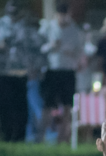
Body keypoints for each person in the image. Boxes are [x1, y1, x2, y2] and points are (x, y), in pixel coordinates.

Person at [0, 0, 44, 142]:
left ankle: (20, 136)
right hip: (3, 72)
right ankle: (6, 135)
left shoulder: (28, 25)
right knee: (4, 106)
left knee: (20, 106)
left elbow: (38, 48)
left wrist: (35, 67)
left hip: (21, 72)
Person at [39, 3, 83, 144]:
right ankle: (42, 136)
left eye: (65, 14)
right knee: (48, 105)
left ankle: (63, 138)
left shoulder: (74, 30)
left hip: (68, 71)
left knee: (67, 106)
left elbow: (80, 52)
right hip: (52, 71)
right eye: (60, 14)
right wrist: (51, 46)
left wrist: (72, 54)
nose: (63, 18)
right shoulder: (48, 28)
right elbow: (39, 48)